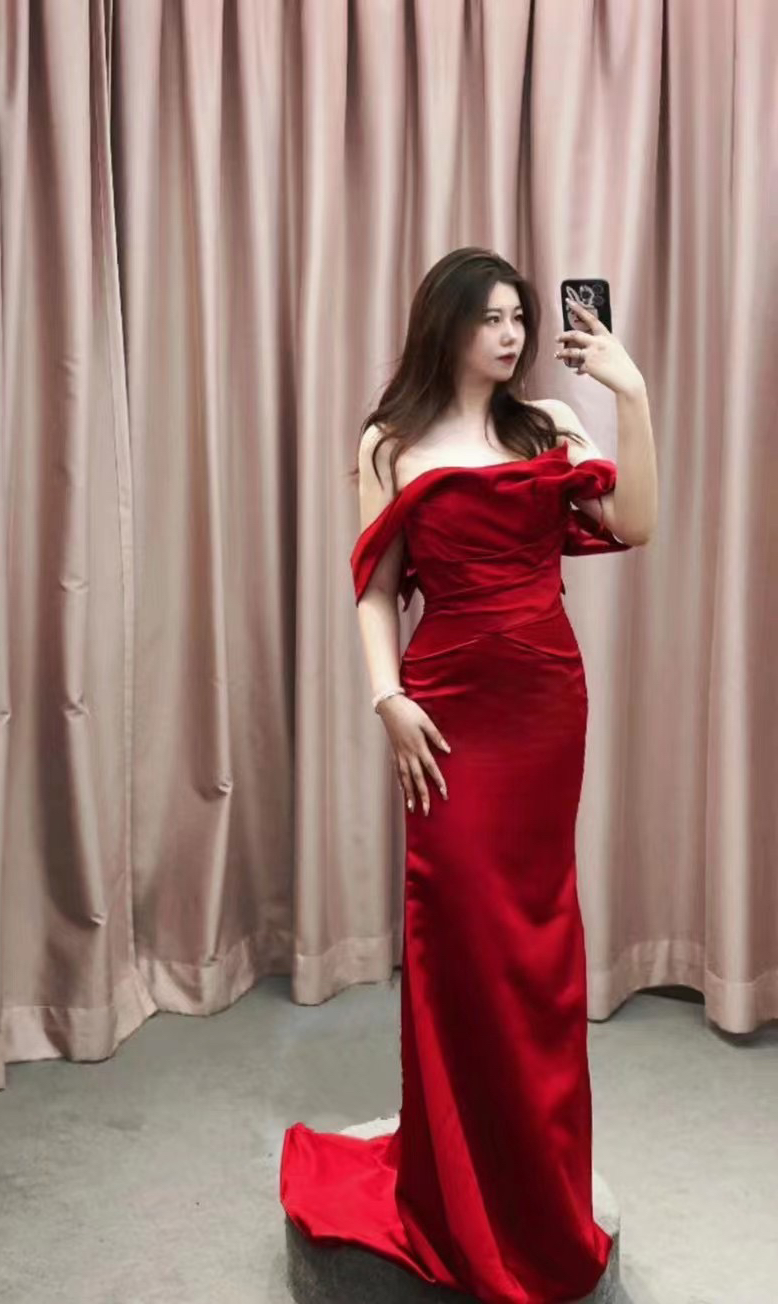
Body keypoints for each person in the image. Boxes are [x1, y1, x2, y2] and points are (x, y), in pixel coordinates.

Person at [279, 247, 658, 1303]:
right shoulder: (389, 442)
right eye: (490, 317)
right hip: (444, 714)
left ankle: (536, 1182)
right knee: (456, 936)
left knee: (538, 939)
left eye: (519, 318)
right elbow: (374, 587)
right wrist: (386, 696)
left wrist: (628, 394)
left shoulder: (549, 427)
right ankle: (453, 1187)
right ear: (444, 324)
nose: (510, 334)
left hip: (543, 705)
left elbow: (634, 524)